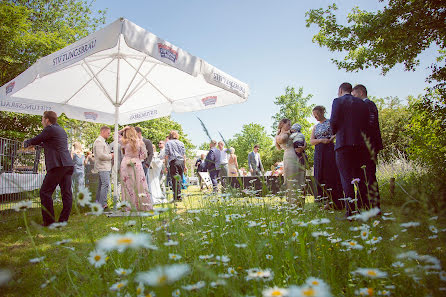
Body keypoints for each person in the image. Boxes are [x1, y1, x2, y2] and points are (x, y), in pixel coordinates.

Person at [23, 111, 74, 226]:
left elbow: (38, 138)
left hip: (58, 165)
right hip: (67, 165)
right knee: (66, 193)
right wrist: (36, 145)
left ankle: (49, 222)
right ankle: (63, 221)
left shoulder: (49, 129)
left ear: (47, 120)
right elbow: (49, 143)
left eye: (42, 119)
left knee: (45, 192)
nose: (42, 122)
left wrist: (26, 143)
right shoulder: (60, 130)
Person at [330, 82, 371, 218]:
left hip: (343, 144)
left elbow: (333, 122)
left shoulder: (337, 101)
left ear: (340, 90)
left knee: (346, 177)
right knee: (360, 177)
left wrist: (338, 132)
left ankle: (351, 211)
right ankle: (363, 206)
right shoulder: (362, 103)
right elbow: (366, 123)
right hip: (360, 144)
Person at [352, 84, 383, 211]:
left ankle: (374, 205)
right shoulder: (365, 105)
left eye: (354, 95)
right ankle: (363, 202)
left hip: (368, 145)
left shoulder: (368, 104)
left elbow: (369, 125)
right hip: (364, 146)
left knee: (369, 174)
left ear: (360, 93)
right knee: (362, 175)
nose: (353, 99)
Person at [310, 105, 343, 210]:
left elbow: (338, 133)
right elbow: (311, 141)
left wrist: (330, 139)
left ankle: (336, 201)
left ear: (322, 112)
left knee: (331, 175)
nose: (316, 117)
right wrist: (320, 140)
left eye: (317, 114)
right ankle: (325, 202)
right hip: (319, 152)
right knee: (320, 175)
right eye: (314, 115)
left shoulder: (330, 122)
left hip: (329, 150)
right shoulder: (315, 127)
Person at [118, 126, 152, 211]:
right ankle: (142, 206)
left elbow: (116, 134)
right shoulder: (140, 142)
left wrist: (123, 129)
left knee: (127, 185)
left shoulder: (124, 142)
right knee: (140, 184)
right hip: (137, 164)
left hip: (125, 164)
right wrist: (137, 157)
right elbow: (144, 155)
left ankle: (129, 206)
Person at [275, 119, 305, 204]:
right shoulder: (279, 135)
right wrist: (287, 132)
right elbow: (282, 140)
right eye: (288, 124)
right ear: (282, 124)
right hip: (290, 157)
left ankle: (300, 203)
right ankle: (292, 203)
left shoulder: (293, 133)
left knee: (300, 179)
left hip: (299, 156)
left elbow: (304, 140)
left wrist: (303, 147)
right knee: (291, 179)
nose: (290, 126)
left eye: (290, 125)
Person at [93, 126, 114, 209]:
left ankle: (98, 203)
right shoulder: (99, 142)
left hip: (105, 167)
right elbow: (100, 155)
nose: (109, 135)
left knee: (101, 185)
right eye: (108, 133)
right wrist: (111, 156)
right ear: (103, 131)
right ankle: (102, 204)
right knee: (105, 185)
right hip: (103, 167)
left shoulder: (102, 141)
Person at [164, 130, 186, 201]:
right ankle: (179, 196)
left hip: (174, 162)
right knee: (179, 180)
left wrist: (166, 165)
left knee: (175, 180)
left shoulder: (168, 143)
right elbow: (184, 155)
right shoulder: (181, 143)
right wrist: (185, 166)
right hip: (181, 162)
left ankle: (177, 198)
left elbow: (166, 155)